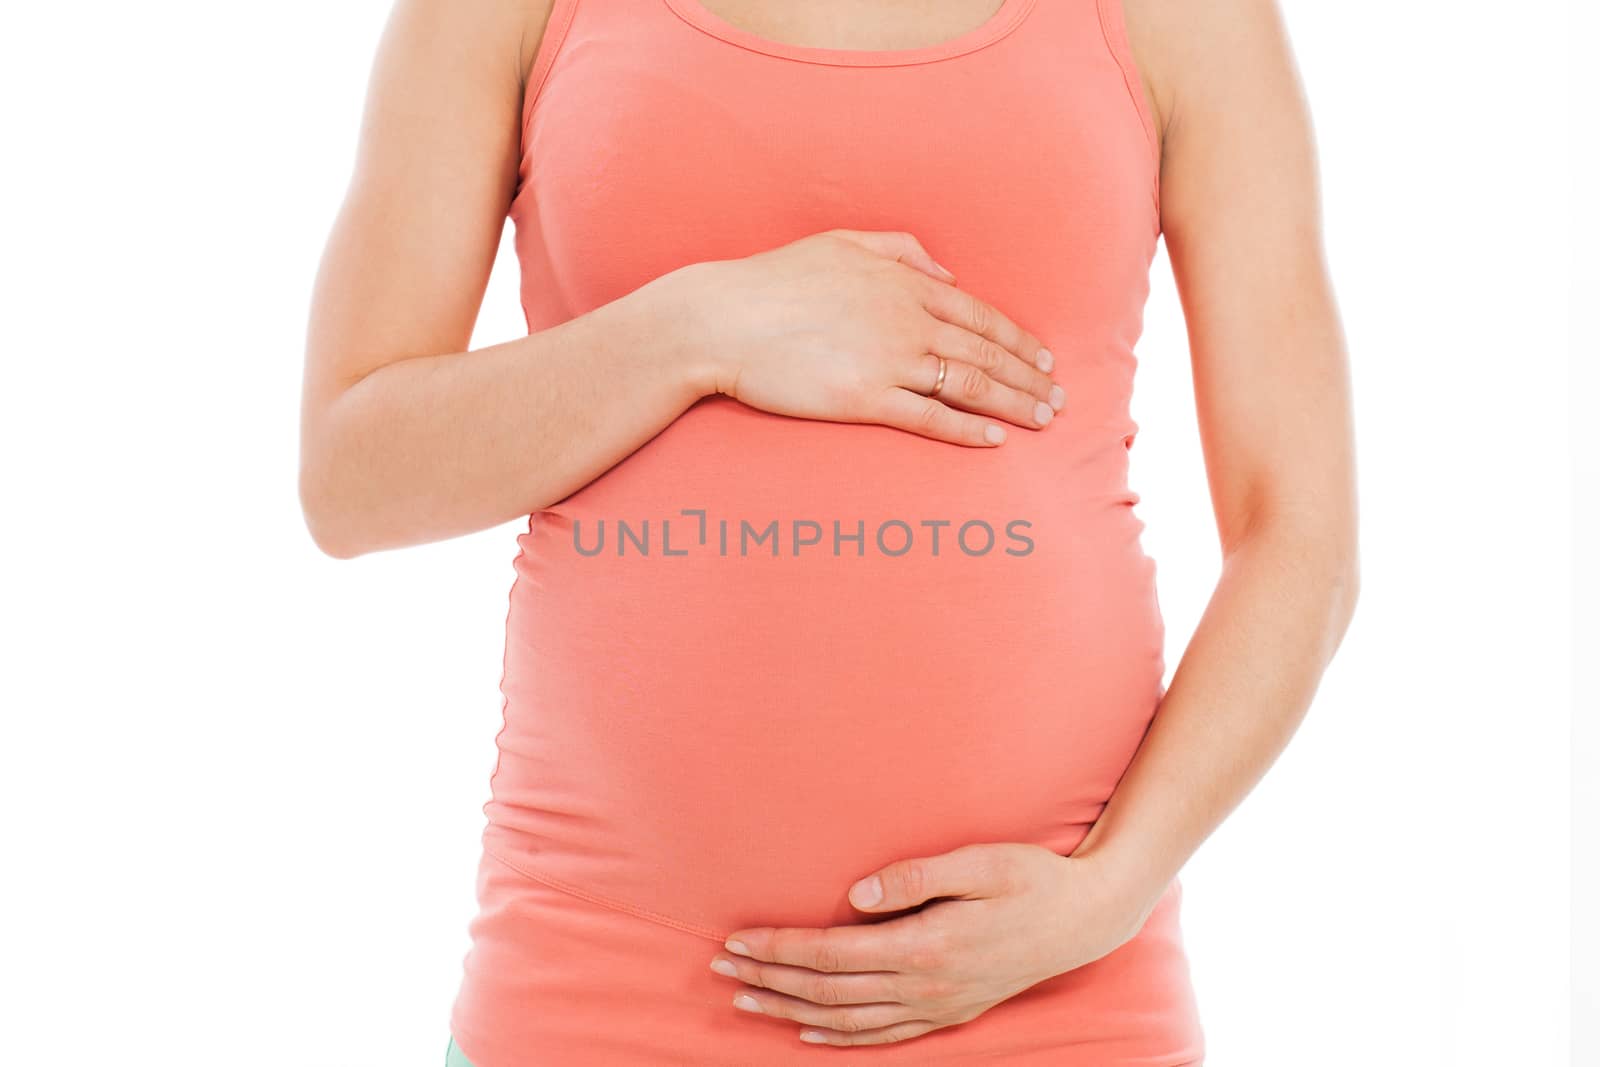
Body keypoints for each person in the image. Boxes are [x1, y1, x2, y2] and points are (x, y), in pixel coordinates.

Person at [298, 0, 1359, 1063]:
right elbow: (354, 478)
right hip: (595, 999)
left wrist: (1108, 891)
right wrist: (698, 326)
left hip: (1052, 1002)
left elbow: (1297, 534)